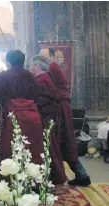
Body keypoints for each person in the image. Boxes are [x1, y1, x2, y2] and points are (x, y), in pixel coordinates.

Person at [40, 48, 91, 187]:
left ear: (51, 57)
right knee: (65, 143)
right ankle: (81, 174)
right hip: (60, 109)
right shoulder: (52, 67)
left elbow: (51, 90)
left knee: (62, 142)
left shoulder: (52, 67)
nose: (40, 58)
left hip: (59, 110)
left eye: (43, 55)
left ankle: (80, 174)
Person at [0, 50, 44, 166]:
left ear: (8, 62)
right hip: (32, 117)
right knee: (32, 148)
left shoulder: (3, 76)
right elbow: (37, 96)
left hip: (11, 118)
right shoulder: (31, 76)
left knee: (11, 148)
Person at [30, 55, 66, 184]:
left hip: (45, 116)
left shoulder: (41, 79)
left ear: (38, 67)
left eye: (33, 66)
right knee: (51, 145)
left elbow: (43, 99)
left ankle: (53, 175)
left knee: (49, 146)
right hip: (49, 115)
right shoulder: (45, 77)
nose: (31, 68)